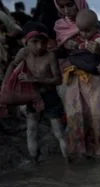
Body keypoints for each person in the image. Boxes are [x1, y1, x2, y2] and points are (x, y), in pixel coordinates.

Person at [54, 0, 100, 159]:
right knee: (77, 116)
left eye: (70, 4)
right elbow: (54, 55)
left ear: (79, 3)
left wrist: (98, 52)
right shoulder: (60, 27)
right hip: (73, 79)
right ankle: (81, 155)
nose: (66, 10)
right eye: (62, 6)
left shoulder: (98, 27)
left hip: (96, 80)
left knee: (99, 117)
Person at [2, 22, 67, 163]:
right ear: (26, 42)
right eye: (34, 42)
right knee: (31, 129)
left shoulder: (50, 56)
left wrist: (34, 78)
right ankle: (34, 162)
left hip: (50, 96)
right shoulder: (24, 53)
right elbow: (12, 65)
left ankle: (68, 162)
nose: (39, 46)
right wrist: (5, 87)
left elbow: (58, 79)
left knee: (58, 132)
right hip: (33, 96)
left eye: (42, 42)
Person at [74, 9, 100, 73]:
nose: (84, 34)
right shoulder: (80, 36)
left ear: (96, 27)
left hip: (96, 63)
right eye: (81, 30)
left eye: (87, 31)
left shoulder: (98, 37)